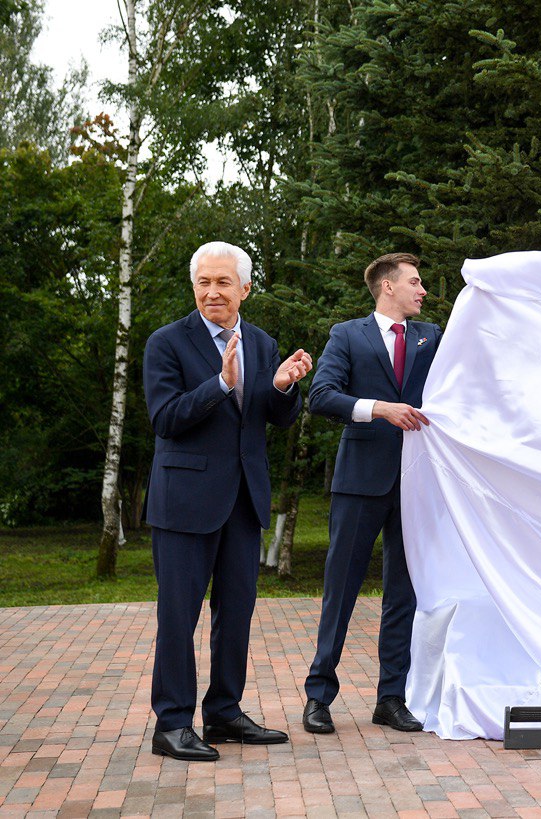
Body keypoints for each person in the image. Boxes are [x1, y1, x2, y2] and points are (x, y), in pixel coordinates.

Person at [144, 241, 311, 761]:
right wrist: (220, 384)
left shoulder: (261, 344)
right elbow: (165, 418)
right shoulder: (166, 343)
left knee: (235, 612)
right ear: (194, 287)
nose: (212, 292)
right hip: (185, 503)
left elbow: (274, 418)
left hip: (243, 501)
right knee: (179, 615)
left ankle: (224, 713)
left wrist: (282, 387)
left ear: (245, 288)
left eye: (222, 283)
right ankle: (172, 724)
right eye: (203, 282)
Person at [302, 252, 444, 735]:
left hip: (417, 484)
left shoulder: (433, 338)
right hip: (360, 482)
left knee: (402, 594)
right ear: (388, 287)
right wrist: (379, 408)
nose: (422, 291)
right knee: (340, 591)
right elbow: (320, 395)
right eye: (415, 282)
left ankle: (391, 698)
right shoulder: (347, 334)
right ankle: (318, 697)